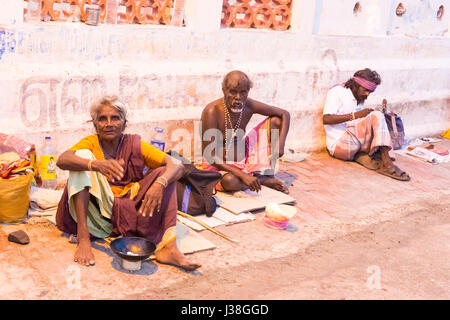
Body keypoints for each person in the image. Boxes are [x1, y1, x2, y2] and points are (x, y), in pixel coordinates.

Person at [55, 96, 201, 271]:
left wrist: (159, 184)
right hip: (96, 212)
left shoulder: (133, 143)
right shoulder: (91, 143)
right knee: (82, 158)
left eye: (115, 118)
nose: (109, 123)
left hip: (127, 207)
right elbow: (62, 159)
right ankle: (83, 237)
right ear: (95, 125)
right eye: (102, 119)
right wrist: (96, 165)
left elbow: (176, 165)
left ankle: (170, 248)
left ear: (124, 123)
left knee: (166, 173)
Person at [200, 70, 291, 193]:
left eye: (243, 93)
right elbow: (209, 156)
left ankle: (262, 175)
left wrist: (280, 145)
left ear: (248, 92)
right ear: (224, 90)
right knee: (230, 181)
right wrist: (242, 175)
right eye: (233, 92)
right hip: (219, 166)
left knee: (276, 121)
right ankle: (259, 179)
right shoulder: (212, 111)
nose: (238, 98)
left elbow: (284, 114)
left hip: (245, 159)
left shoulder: (248, 105)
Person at [322, 68, 410, 181]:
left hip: (353, 142)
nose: (367, 94)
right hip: (339, 146)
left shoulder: (359, 98)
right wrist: (356, 115)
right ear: (356, 85)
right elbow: (326, 119)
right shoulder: (337, 92)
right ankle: (387, 163)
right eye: (366, 90)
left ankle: (365, 157)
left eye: (370, 92)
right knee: (376, 116)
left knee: (377, 116)